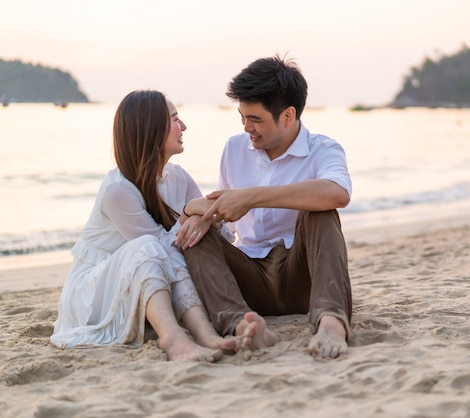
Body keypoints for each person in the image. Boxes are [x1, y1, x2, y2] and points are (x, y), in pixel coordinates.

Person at [176, 55, 353, 359]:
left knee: (321, 210)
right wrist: (203, 217)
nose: (247, 127)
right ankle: (240, 325)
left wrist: (253, 196)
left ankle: (332, 322)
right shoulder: (234, 148)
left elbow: (338, 193)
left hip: (302, 279)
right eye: (242, 117)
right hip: (250, 278)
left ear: (287, 115)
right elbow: (228, 221)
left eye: (255, 119)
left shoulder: (324, 149)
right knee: (194, 233)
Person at [50, 90, 237, 362]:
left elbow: (224, 235)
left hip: (145, 277)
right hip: (94, 293)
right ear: (152, 129)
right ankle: (173, 339)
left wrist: (200, 218)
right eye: (175, 119)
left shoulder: (178, 177)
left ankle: (206, 336)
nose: (183, 126)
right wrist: (189, 214)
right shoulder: (119, 190)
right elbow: (164, 250)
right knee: (151, 246)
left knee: (162, 246)